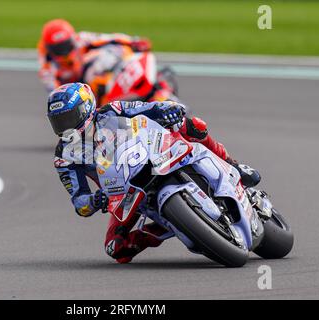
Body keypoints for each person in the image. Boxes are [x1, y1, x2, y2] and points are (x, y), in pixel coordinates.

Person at [47, 82, 261, 264]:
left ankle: (233, 165)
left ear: (86, 109)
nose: (65, 127)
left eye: (68, 118)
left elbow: (146, 108)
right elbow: (79, 202)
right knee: (116, 249)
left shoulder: (111, 110)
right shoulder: (65, 156)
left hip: (151, 153)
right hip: (124, 192)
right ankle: (167, 227)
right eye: (58, 122)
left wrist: (165, 109)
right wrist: (95, 200)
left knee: (193, 124)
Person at [37, 19, 151, 92]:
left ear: (72, 39)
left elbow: (109, 38)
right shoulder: (47, 66)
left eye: (66, 46)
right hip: (73, 93)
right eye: (58, 49)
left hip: (86, 76)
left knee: (104, 57)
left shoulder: (81, 39)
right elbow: (55, 91)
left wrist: (133, 41)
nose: (64, 52)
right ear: (49, 48)